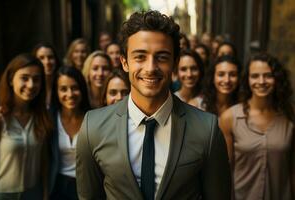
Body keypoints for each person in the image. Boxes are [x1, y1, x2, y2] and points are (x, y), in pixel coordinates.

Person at [76, 10, 231, 200]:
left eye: (162, 57)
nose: (150, 68)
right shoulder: (93, 127)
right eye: (140, 57)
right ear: (124, 62)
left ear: (174, 64)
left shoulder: (207, 130)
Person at [219, 53, 295, 200]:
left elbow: (292, 169)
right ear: (247, 79)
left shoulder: (290, 116)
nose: (261, 81)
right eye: (255, 76)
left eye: (268, 76)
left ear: (277, 78)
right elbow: (225, 171)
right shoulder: (230, 118)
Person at [0, 53, 52, 199]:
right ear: (10, 79)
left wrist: (45, 194)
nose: (31, 85)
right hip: (2, 194)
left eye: (36, 79)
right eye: (24, 78)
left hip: (34, 194)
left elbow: (44, 162)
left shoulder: (42, 117)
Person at [49, 66, 90, 200]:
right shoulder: (50, 119)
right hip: (57, 186)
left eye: (75, 88)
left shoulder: (93, 118)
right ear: (56, 92)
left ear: (82, 89)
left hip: (86, 186)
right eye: (63, 89)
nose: (70, 94)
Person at [32, 42, 61, 108]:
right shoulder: (31, 86)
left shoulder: (63, 83)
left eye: (50, 57)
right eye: (41, 58)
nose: (47, 62)